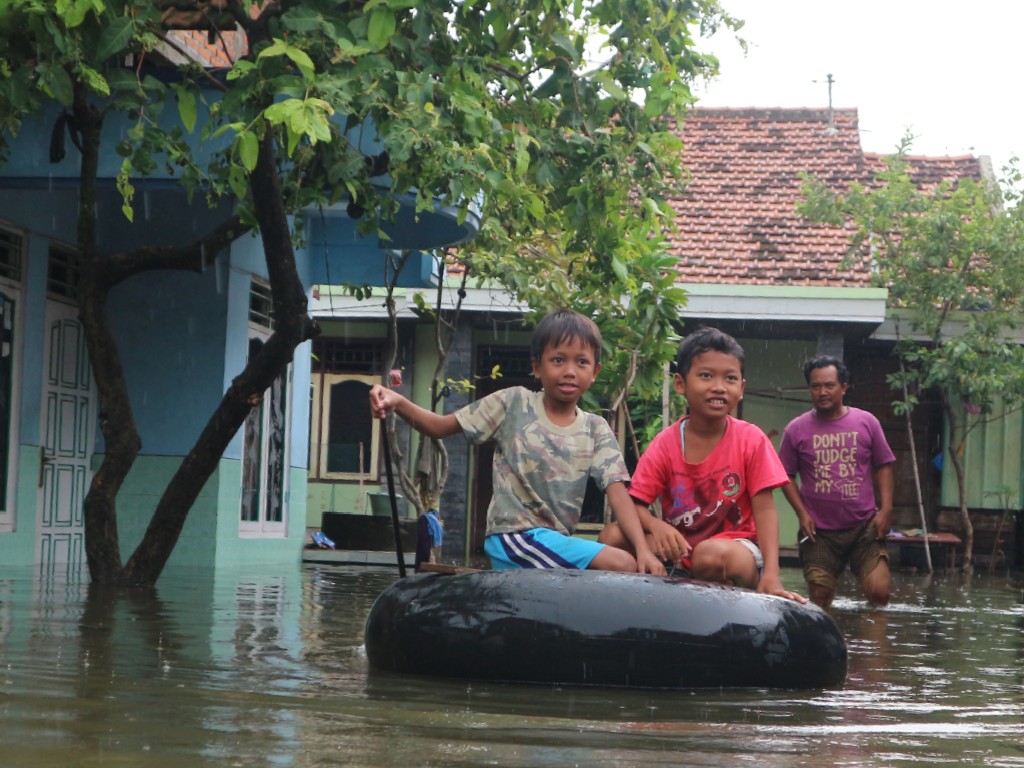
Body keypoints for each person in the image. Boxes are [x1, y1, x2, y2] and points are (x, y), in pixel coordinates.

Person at [369, 309, 664, 574]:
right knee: (621, 563)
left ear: (595, 372)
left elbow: (618, 494)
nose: (569, 371)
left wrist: (642, 550)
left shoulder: (595, 428)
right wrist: (397, 401)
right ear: (537, 366)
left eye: (582, 362)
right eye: (558, 360)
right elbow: (439, 427)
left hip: (554, 542)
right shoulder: (514, 403)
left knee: (629, 557)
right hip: (513, 537)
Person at [599, 327, 804, 602]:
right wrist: (656, 525)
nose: (719, 386)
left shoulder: (750, 439)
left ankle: (745, 589)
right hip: (682, 548)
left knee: (709, 555)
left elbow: (766, 510)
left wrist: (772, 574)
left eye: (730, 378)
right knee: (611, 537)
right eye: (706, 376)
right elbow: (635, 503)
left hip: (737, 549)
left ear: (741, 388)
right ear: (681, 384)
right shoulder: (666, 443)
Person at [778, 355, 895, 609]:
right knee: (820, 601)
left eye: (829, 385)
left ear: (844, 387)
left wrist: (886, 510)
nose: (822, 392)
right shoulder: (795, 430)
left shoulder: (867, 422)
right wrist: (802, 514)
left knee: (879, 593)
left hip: (863, 526)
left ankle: (876, 649)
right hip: (819, 532)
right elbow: (784, 475)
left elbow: (883, 465)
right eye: (815, 386)